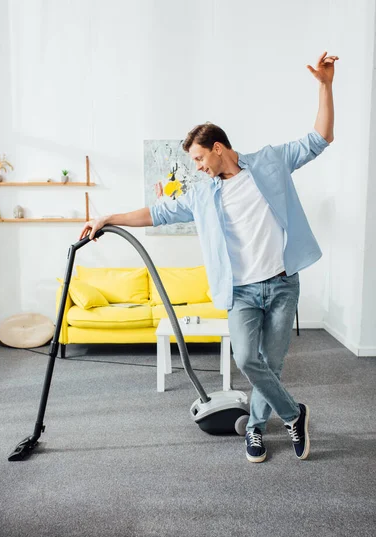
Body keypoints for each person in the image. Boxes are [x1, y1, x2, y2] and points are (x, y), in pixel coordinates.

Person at [80, 51, 338, 463]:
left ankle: (254, 429)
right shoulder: (202, 194)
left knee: (272, 362)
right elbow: (157, 212)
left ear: (218, 148)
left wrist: (325, 86)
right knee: (247, 359)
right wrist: (110, 217)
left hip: (283, 282)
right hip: (242, 292)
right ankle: (294, 414)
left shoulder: (270, 162)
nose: (196, 167)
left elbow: (320, 138)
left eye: (199, 158)